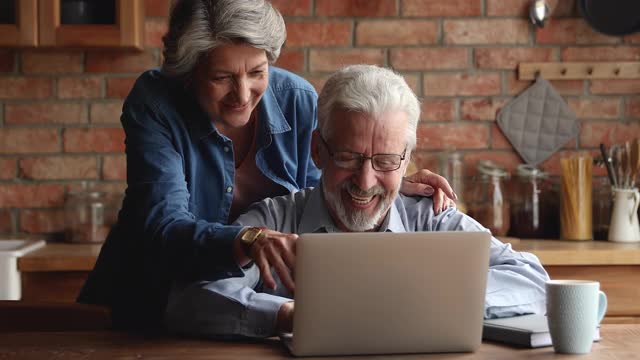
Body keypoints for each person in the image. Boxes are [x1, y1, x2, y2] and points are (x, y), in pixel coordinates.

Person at [77, 0, 455, 330]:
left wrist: (378, 177)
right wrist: (246, 239)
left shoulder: (297, 99)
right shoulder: (156, 104)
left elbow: (321, 199)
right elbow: (164, 228)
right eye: (222, 77)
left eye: (257, 72)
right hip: (150, 303)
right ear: (190, 71)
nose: (243, 95)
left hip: (254, 313)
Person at [164, 65, 550, 339]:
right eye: (348, 158)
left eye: (384, 161)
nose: (365, 182)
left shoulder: (430, 217)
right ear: (317, 150)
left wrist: (433, 299)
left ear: (407, 159)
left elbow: (533, 280)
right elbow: (190, 297)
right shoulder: (274, 221)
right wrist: (290, 316)